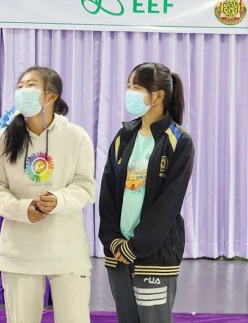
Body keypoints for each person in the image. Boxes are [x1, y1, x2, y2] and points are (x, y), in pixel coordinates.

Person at [0, 66, 96, 323]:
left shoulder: (76, 137)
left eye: (30, 86)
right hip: (20, 251)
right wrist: (23, 209)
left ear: (51, 96)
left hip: (67, 249)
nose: (22, 91)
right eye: (20, 86)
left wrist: (58, 201)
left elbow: (85, 187)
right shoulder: (3, 138)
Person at [98, 62, 194, 323]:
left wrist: (136, 246)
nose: (130, 92)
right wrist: (113, 240)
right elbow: (107, 194)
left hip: (155, 256)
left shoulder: (178, 141)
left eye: (137, 87)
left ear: (158, 96)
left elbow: (168, 204)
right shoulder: (123, 137)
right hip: (118, 254)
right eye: (129, 86)